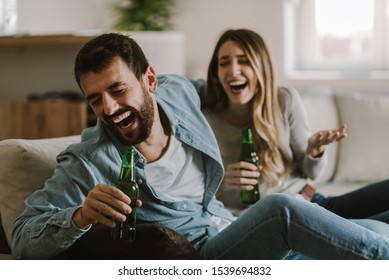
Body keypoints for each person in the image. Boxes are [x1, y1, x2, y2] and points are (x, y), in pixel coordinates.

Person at [11, 33, 389, 260]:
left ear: (151, 81)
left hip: (234, 225)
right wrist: (79, 216)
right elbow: (23, 236)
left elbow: (227, 88)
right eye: (95, 99)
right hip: (206, 257)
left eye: (117, 89)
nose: (108, 109)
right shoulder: (89, 161)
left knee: (379, 230)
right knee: (280, 210)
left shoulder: (179, 92)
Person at [200, 28, 389, 223]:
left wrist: (314, 151)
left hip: (311, 203)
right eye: (224, 63)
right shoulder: (205, 121)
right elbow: (194, 193)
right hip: (280, 224)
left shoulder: (284, 100)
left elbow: (310, 173)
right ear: (216, 74)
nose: (233, 70)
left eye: (244, 60)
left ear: (261, 67)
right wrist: (222, 183)